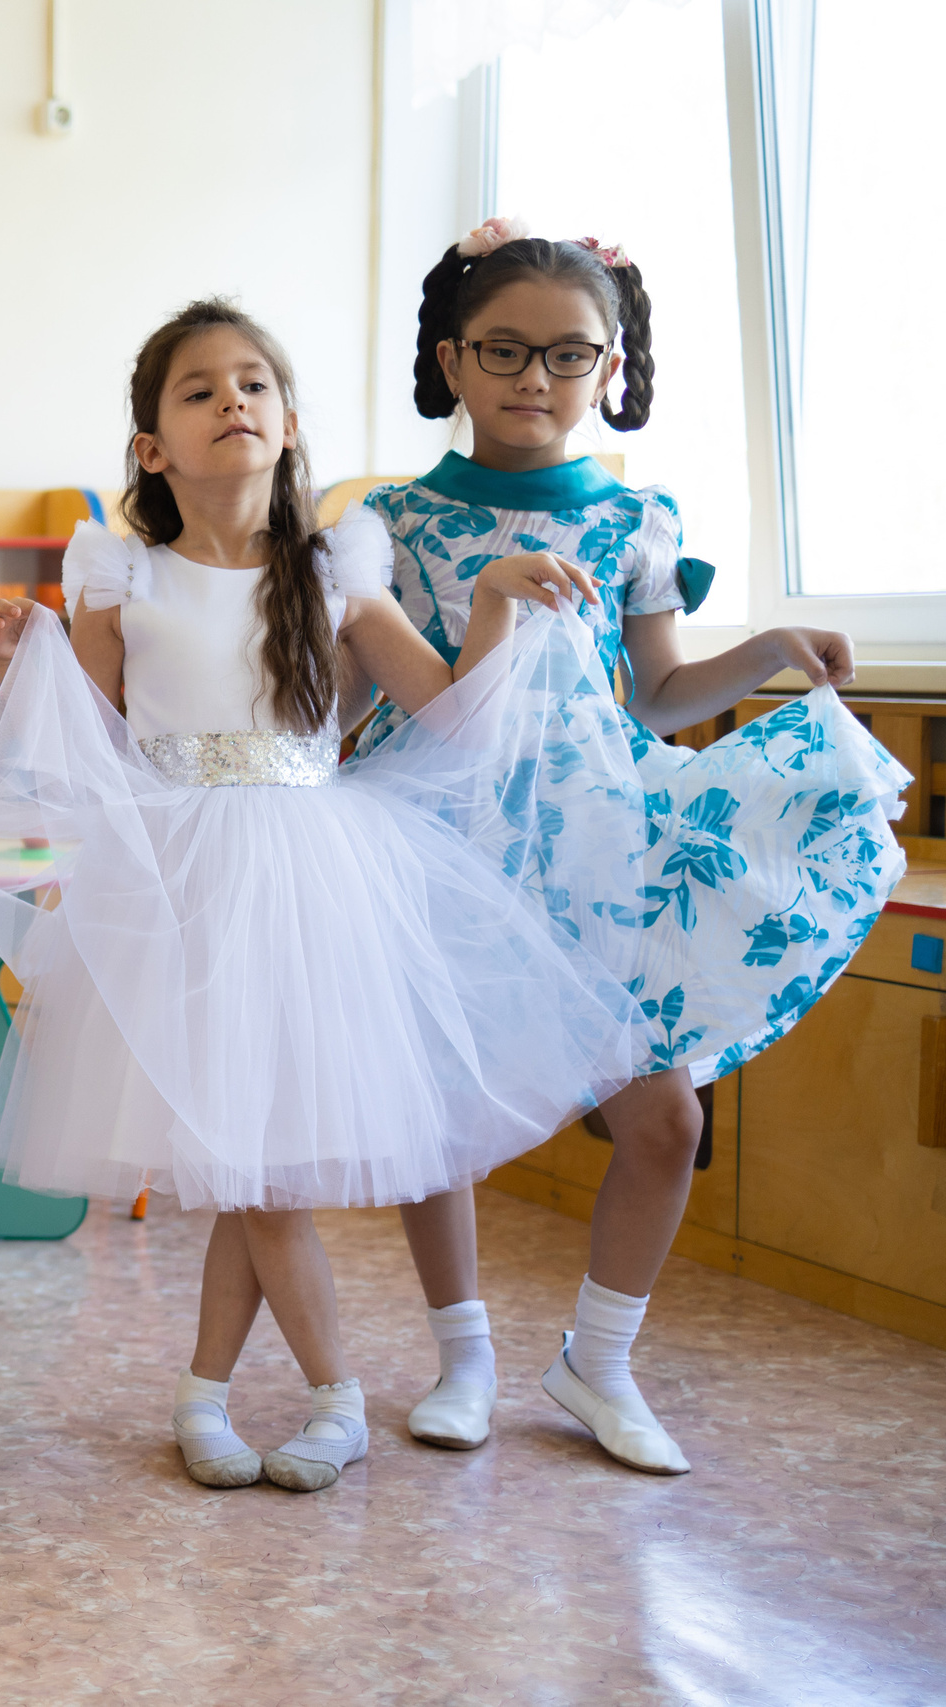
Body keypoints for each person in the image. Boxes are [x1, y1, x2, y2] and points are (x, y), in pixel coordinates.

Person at [0, 298, 643, 1492]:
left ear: (290, 419)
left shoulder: (335, 570)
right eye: (198, 391)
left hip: (314, 890)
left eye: (253, 384)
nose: (231, 404)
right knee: (241, 1172)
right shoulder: (120, 576)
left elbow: (452, 717)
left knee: (249, 1173)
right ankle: (305, 1398)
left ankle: (241, 1396)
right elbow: (70, 757)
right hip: (174, 893)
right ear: (151, 445)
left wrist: (489, 607)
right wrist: (38, 900)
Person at [360, 220, 907, 1473]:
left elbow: (653, 695)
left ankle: (596, 1364)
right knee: (438, 1115)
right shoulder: (390, 520)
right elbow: (390, 686)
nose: (533, 378)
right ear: (451, 358)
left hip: (602, 840)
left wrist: (768, 648)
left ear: (611, 367)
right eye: (503, 350)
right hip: (439, 834)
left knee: (663, 1120)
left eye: (568, 354)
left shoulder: (637, 514)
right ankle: (463, 1358)